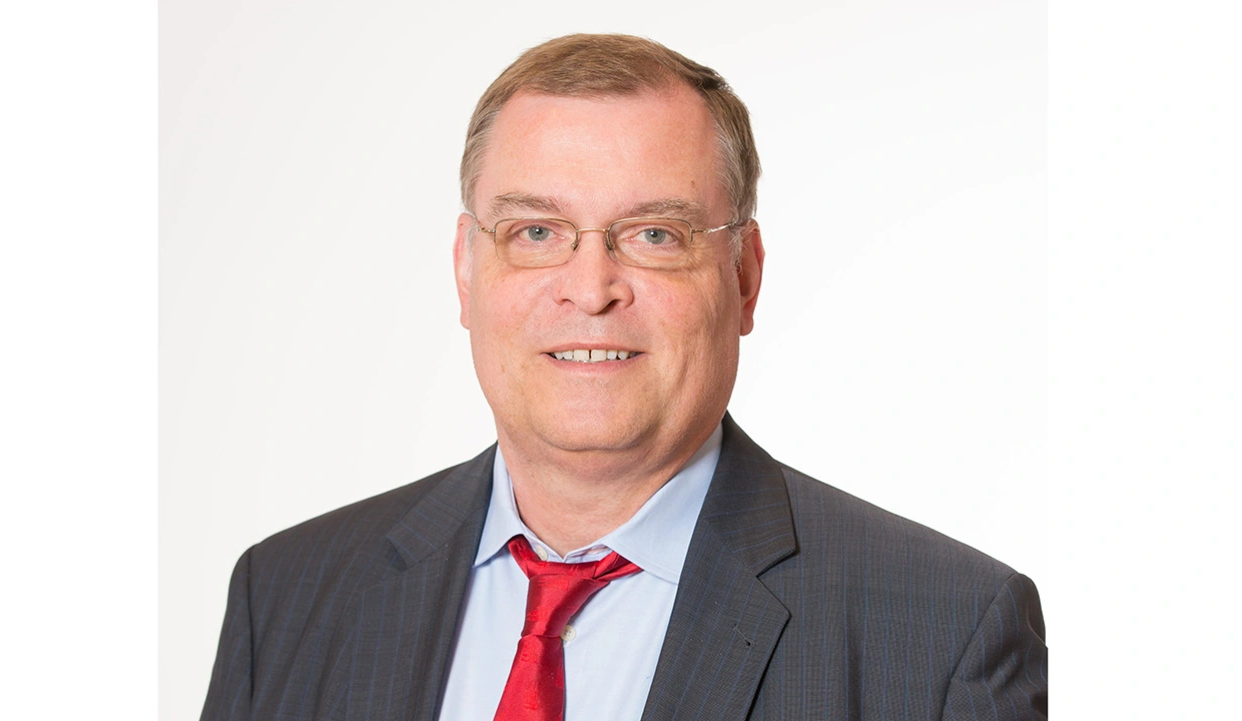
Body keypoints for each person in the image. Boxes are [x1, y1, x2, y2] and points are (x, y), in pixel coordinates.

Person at [199, 33, 1046, 721]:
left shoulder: (942, 635)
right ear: (465, 269)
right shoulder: (285, 596)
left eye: (654, 235)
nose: (591, 288)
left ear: (745, 276)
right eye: (536, 232)